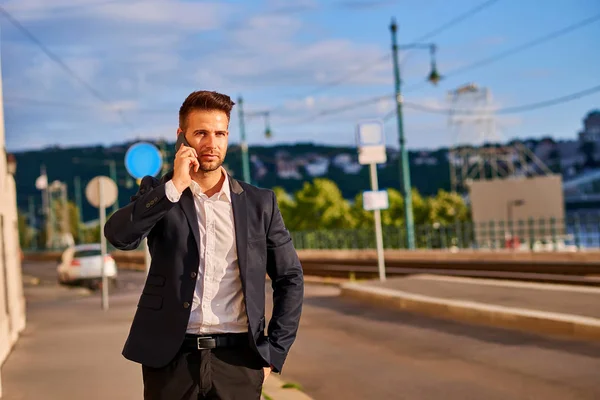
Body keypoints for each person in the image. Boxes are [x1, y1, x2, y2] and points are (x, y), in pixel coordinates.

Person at [104, 90, 304, 400]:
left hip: (238, 360)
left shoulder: (259, 204)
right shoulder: (160, 193)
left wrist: (274, 352)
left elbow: (289, 278)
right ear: (181, 137)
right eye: (201, 133)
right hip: (171, 361)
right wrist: (175, 186)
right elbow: (119, 236)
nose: (211, 143)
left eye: (220, 133)